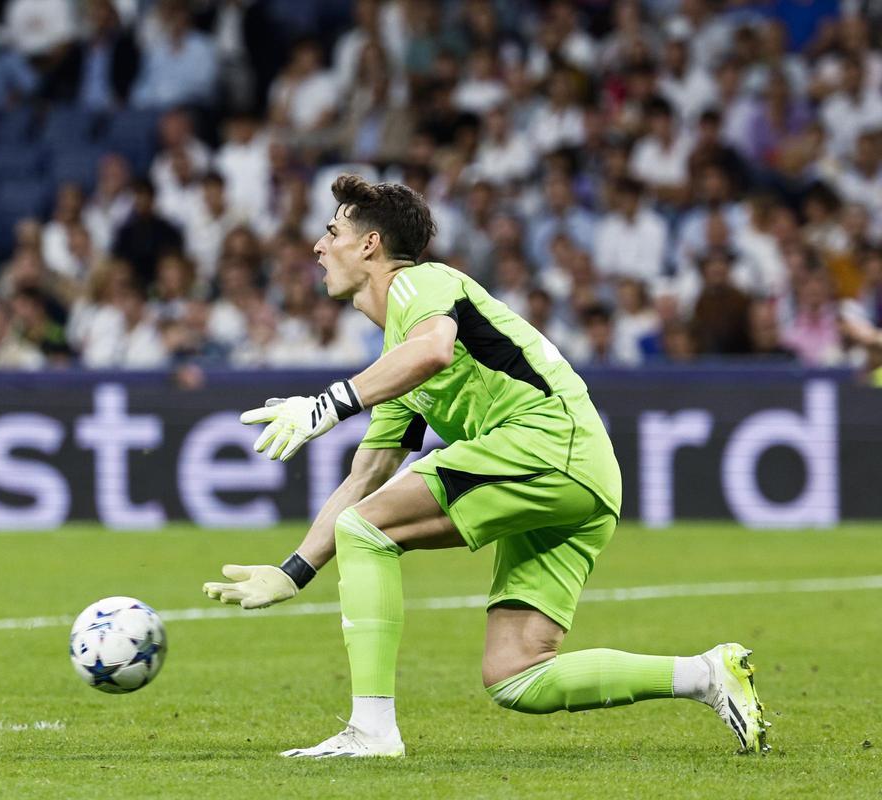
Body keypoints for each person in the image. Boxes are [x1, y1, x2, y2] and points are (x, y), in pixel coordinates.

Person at [202, 176, 768, 758]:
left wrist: (328, 404)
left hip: (544, 447)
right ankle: (706, 674)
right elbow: (367, 475)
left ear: (370, 244)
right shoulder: (400, 363)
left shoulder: (419, 283)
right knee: (517, 675)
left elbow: (434, 349)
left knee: (366, 532)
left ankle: (371, 730)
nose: (318, 248)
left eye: (332, 232)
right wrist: (294, 571)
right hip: (586, 475)